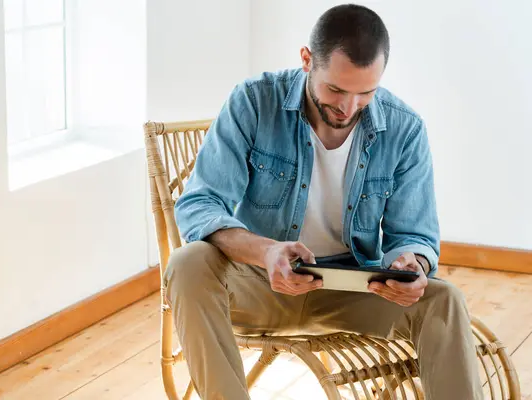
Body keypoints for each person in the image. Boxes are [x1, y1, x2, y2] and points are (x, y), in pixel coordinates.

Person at [164, 4, 483, 399]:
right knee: (187, 262)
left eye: (365, 93)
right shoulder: (253, 101)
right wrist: (266, 252)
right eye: (335, 89)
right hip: (261, 284)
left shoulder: (405, 129)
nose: (348, 108)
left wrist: (410, 264)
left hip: (351, 288)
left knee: (444, 298)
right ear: (306, 60)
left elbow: (414, 233)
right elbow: (199, 206)